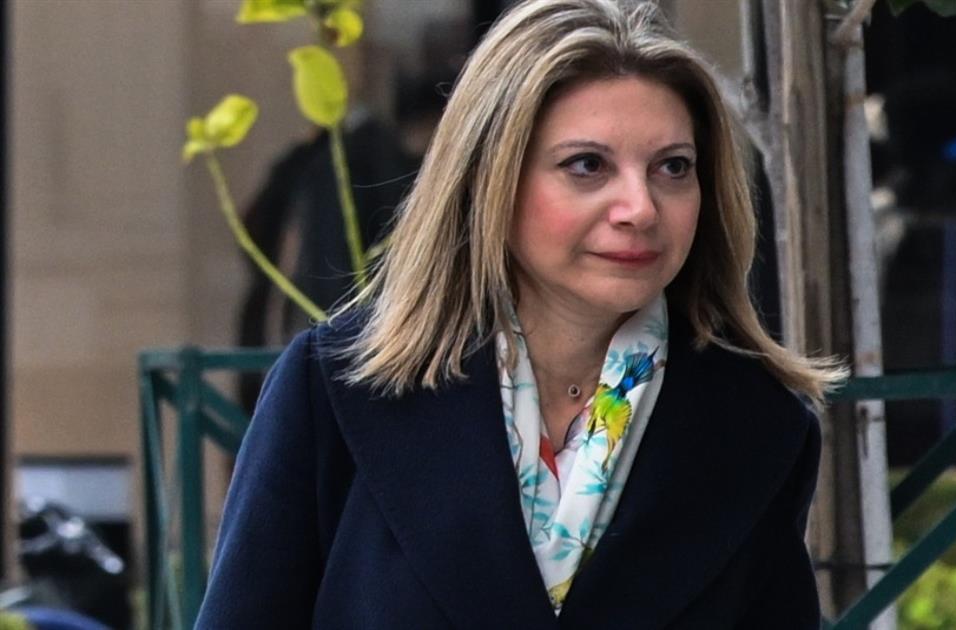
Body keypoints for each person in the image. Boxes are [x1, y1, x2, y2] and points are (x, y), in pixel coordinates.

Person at [196, 0, 843, 627]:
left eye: (673, 167)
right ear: (491, 180)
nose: (641, 208)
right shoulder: (338, 390)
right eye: (587, 165)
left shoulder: (759, 427)